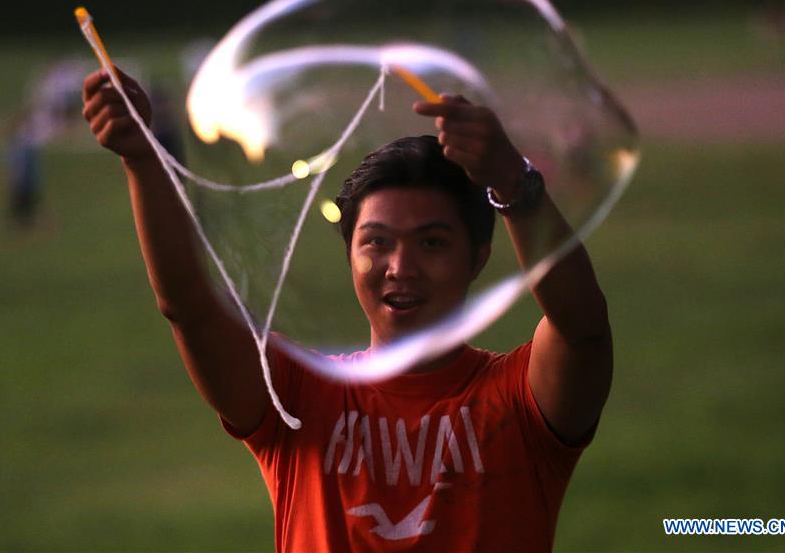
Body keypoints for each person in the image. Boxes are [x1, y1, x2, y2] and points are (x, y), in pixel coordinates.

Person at [82, 67, 612, 552]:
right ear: (349, 254)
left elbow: (582, 330)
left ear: (478, 256)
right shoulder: (297, 399)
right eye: (376, 242)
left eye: (431, 243)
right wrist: (142, 159)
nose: (399, 267)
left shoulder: (519, 399)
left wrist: (513, 184)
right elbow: (190, 308)